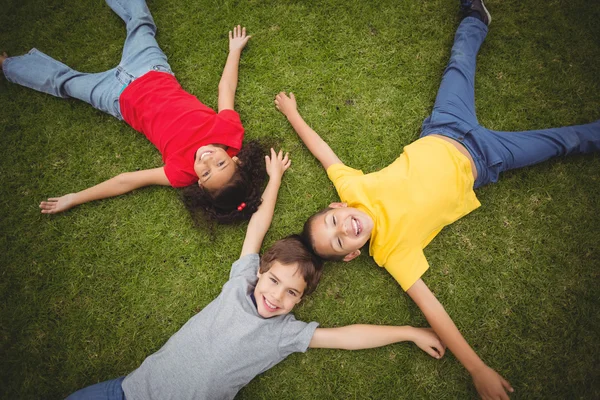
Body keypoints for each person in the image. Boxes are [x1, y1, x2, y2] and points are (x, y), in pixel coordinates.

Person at [274, 1, 599, 399]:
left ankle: (474, 18)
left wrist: (292, 113)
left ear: (338, 207)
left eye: (334, 222)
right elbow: (432, 310)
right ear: (353, 255)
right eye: (341, 241)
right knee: (562, 143)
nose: (345, 229)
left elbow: (325, 153)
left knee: (459, 63)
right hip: (486, 158)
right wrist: (477, 367)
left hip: (445, 124)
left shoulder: (353, 191)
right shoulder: (391, 251)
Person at [65, 148, 445, 400]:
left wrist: (408, 332)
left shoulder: (282, 334)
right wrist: (275, 178)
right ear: (260, 272)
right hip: (124, 393)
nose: (277, 297)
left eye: (292, 294)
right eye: (275, 281)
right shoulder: (240, 282)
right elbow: (256, 229)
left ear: (300, 300)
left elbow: (347, 338)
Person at [0, 0, 267, 224]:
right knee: (140, 21)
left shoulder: (181, 173)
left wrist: (74, 198)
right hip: (150, 68)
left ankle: (9, 65)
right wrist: (234, 52)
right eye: (220, 163)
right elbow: (226, 88)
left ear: (198, 184)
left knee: (65, 83)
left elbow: (125, 181)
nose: (207, 160)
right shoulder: (230, 134)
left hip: (115, 96)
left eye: (206, 173)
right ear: (236, 160)